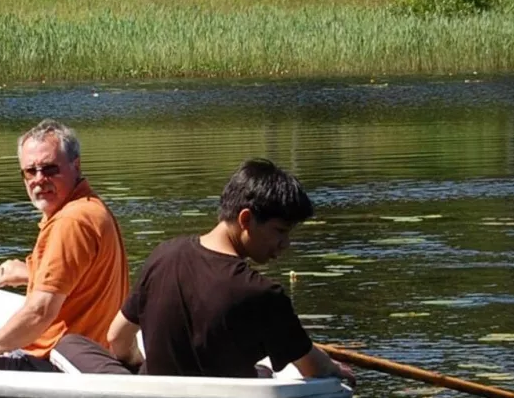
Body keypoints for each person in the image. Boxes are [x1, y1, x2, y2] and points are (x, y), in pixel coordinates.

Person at [70, 158, 353, 381]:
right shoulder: (265, 295)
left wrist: (138, 366)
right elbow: (314, 369)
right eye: (280, 231)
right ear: (246, 219)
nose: (284, 244)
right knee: (265, 373)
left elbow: (117, 337)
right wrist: (335, 370)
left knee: (68, 344)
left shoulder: (162, 256)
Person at [0, 119, 128, 372]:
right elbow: (81, 278)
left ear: (76, 166)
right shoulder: (91, 209)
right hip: (90, 356)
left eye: (49, 169)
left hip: (56, 365)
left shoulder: (70, 222)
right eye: (30, 171)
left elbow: (39, 312)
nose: (39, 179)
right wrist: (30, 274)